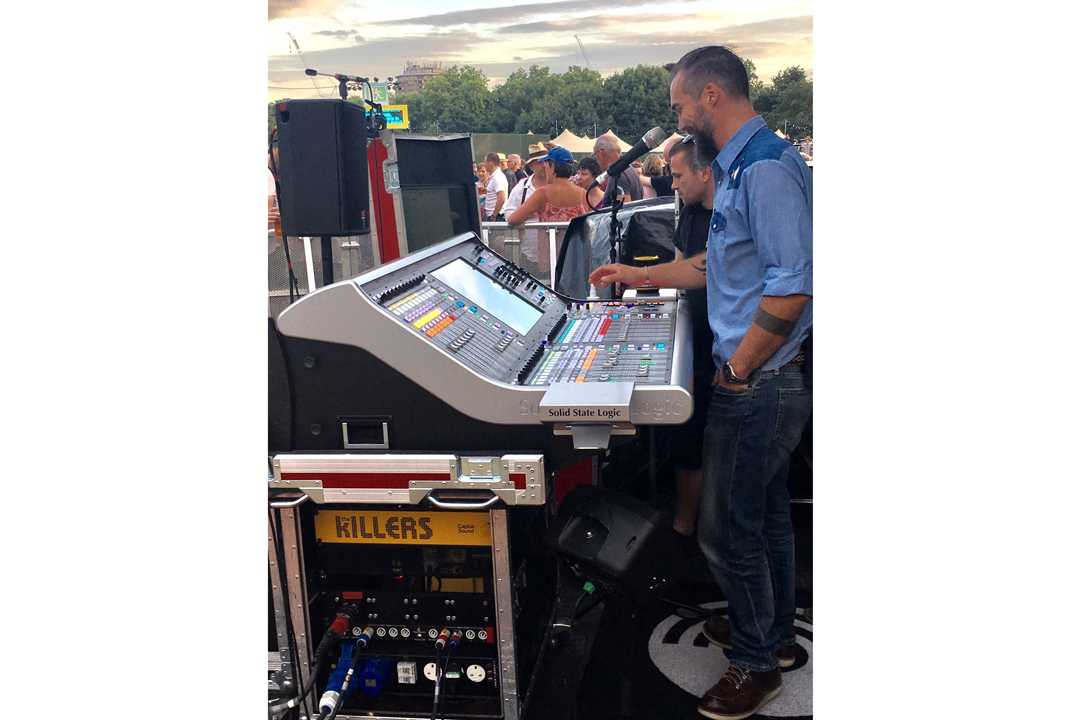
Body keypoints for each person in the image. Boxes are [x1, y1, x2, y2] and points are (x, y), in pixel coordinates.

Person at [589, 45, 812, 720]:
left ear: (711, 95)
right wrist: (638, 275)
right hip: (759, 377)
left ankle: (754, 664)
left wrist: (740, 367)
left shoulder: (766, 168)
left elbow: (792, 285)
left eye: (680, 105)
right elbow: (717, 265)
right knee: (764, 516)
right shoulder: (744, 165)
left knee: (725, 530)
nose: (678, 117)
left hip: (758, 382)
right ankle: (770, 633)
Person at [507, 146, 589, 225]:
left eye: (546, 166)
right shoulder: (583, 193)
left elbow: (512, 219)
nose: (545, 169)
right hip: (574, 235)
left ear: (552, 166)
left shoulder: (542, 193)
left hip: (549, 235)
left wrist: (532, 213)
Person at [593, 135, 643, 207]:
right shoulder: (629, 168)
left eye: (595, 154)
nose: (596, 160)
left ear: (601, 152)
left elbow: (623, 210)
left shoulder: (618, 174)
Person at [482, 152, 509, 221]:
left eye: (485, 162)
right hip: (495, 215)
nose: (484, 164)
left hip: (497, 216)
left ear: (491, 163)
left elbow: (501, 198)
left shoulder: (497, 178)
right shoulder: (495, 176)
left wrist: (494, 215)